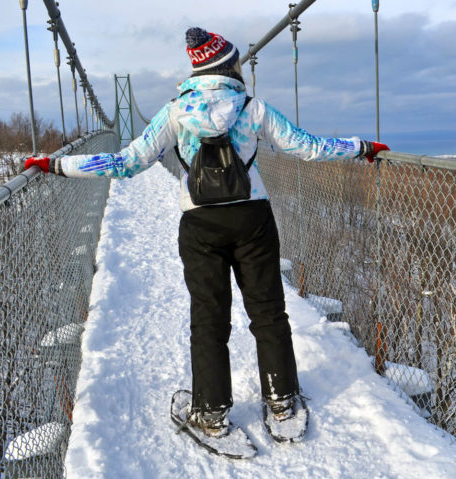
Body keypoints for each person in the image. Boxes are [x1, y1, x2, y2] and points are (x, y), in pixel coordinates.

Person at [25, 27, 389, 441]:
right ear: (229, 66)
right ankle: (282, 400)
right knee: (269, 312)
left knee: (209, 319)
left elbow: (126, 163)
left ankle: (212, 413)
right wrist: (361, 146)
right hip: (253, 219)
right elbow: (306, 146)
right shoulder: (253, 108)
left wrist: (58, 165)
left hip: (200, 224)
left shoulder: (175, 113)